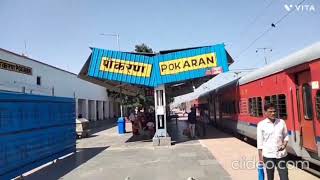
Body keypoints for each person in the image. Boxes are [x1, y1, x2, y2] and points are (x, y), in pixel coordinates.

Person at [257, 103, 289, 180]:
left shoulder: (281, 122)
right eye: (270, 111)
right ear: (265, 112)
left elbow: (286, 136)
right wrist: (260, 159)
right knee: (270, 177)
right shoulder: (261, 124)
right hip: (268, 156)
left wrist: (284, 144)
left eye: (274, 111)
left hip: (281, 155)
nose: (273, 113)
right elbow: (260, 143)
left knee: (284, 176)